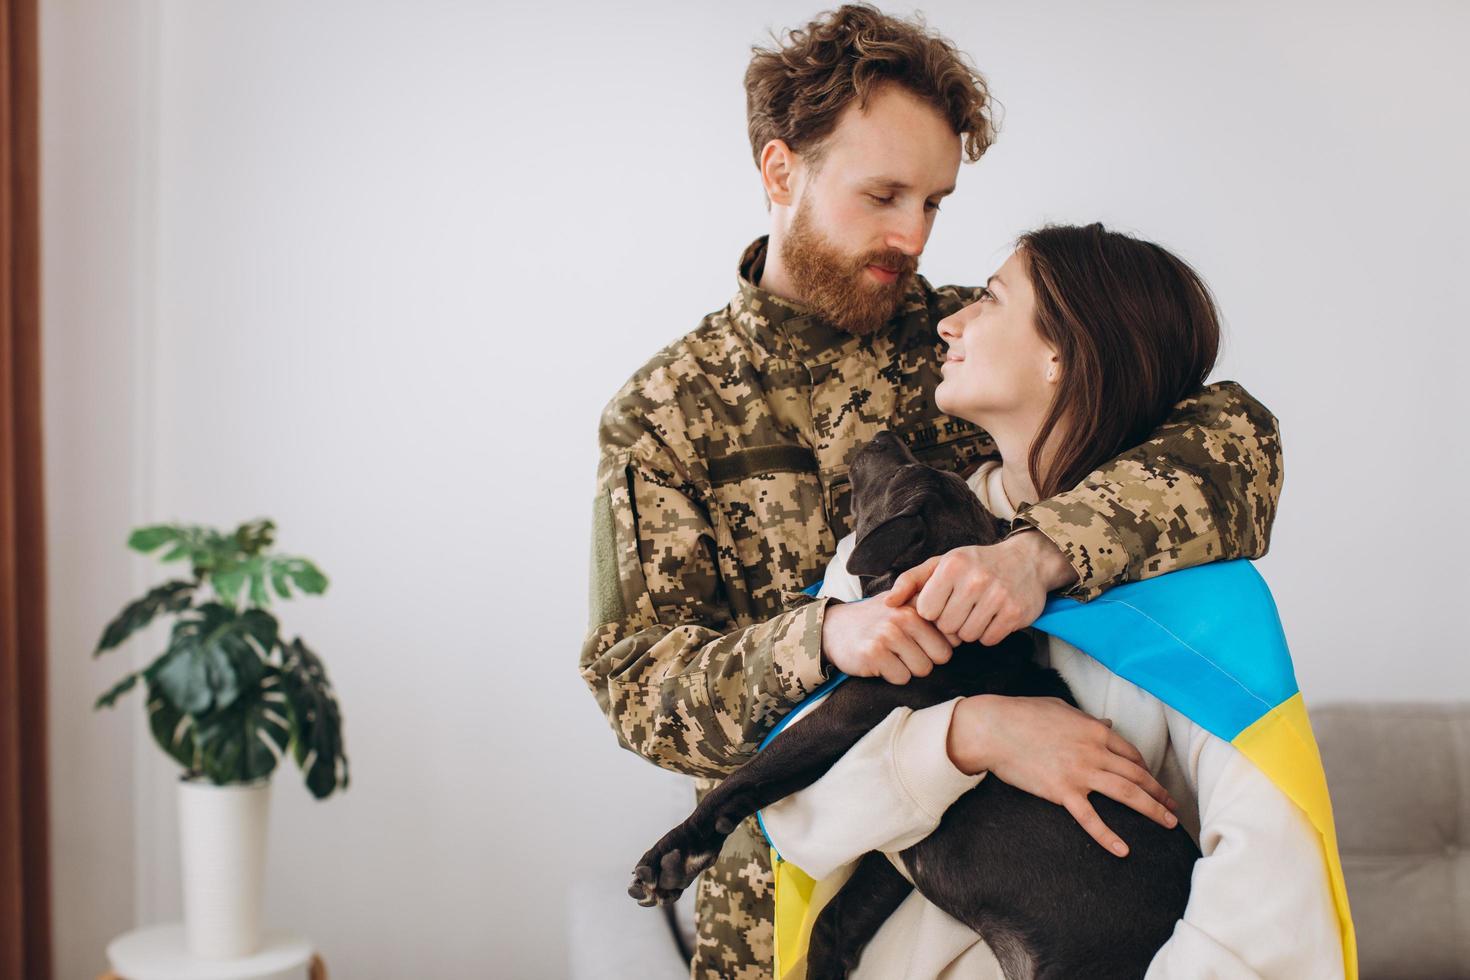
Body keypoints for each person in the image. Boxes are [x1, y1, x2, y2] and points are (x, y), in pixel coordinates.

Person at [579, 7, 1283, 978]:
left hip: (1036, 898)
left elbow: (1236, 439)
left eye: (936, 202)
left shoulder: (982, 340)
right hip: (791, 914)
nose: (911, 234)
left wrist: (1040, 553)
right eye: (884, 194)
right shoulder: (665, 415)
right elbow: (637, 685)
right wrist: (824, 636)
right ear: (782, 172)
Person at [759, 224, 1343, 979]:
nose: (950, 320)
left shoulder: (1205, 594)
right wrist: (968, 736)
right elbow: (796, 815)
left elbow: (1268, 882)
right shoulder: (893, 542)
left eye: (993, 299)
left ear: (1060, 354)